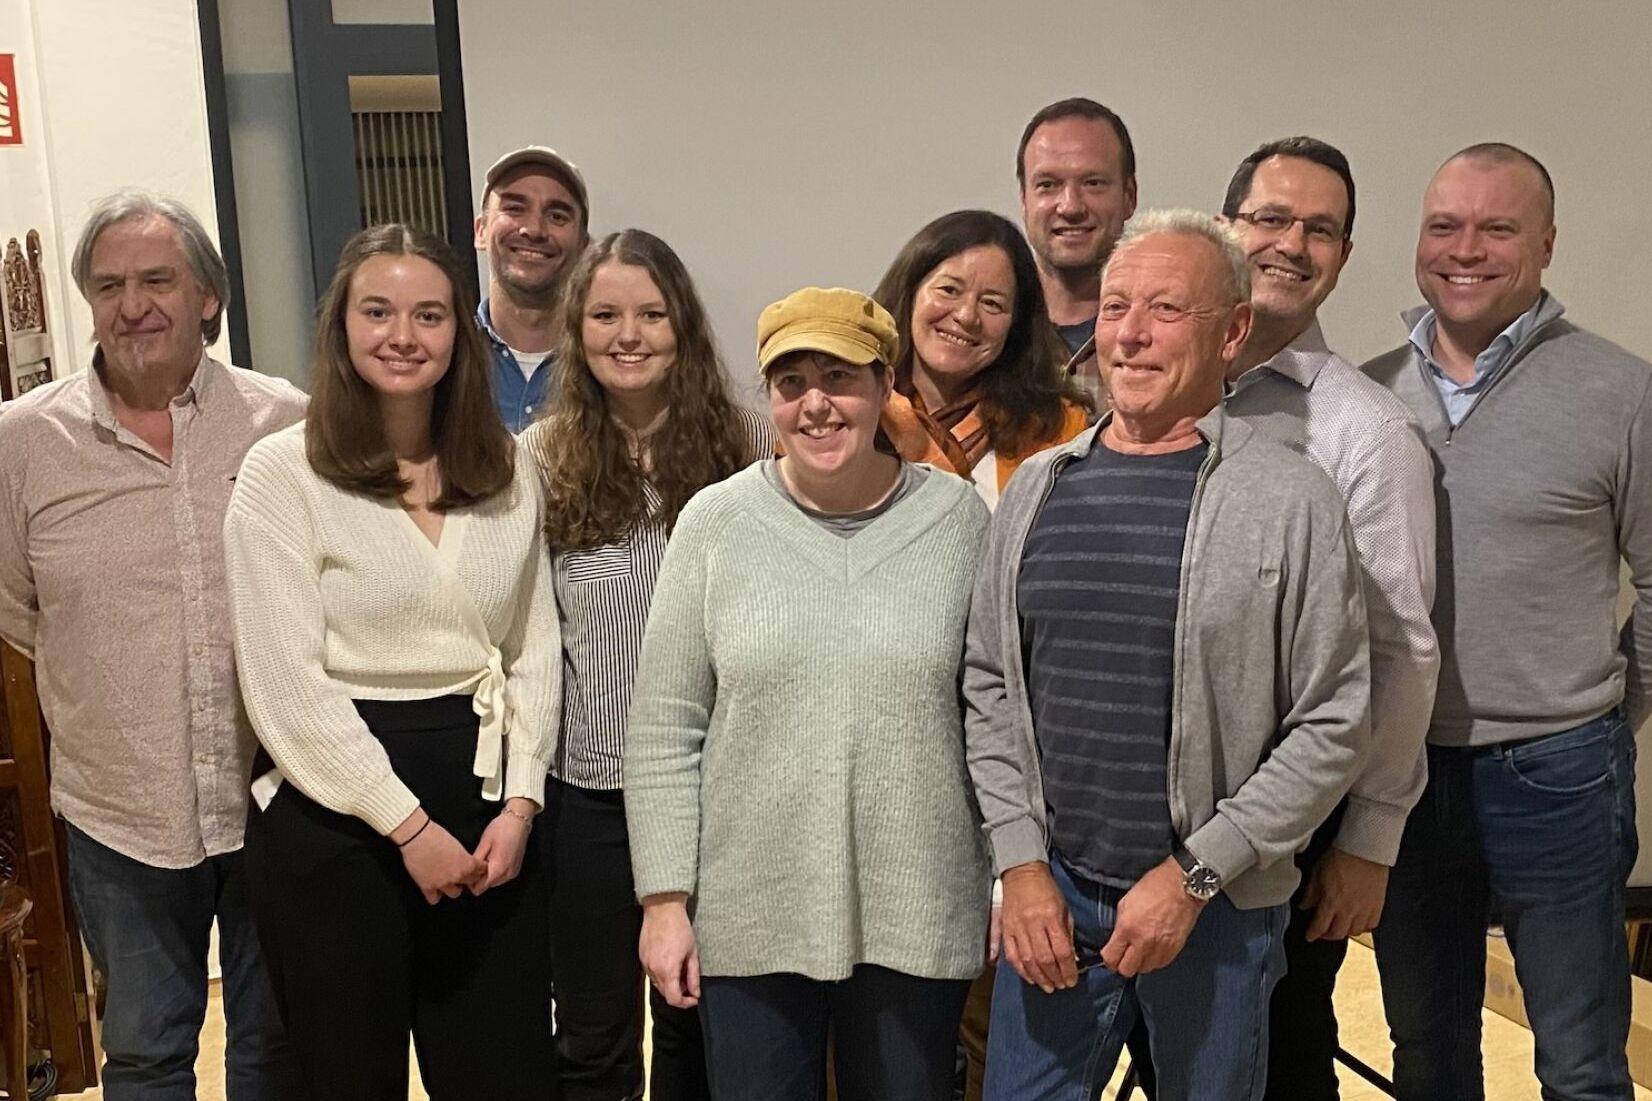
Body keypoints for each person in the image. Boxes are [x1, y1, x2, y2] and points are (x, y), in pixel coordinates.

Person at [966, 210, 1370, 1101]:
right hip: (1055, 896)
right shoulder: (1039, 489)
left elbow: (1334, 721)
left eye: (1165, 309)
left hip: (1218, 906)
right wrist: (1020, 863)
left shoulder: (1291, 501)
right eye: (1116, 307)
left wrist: (1195, 875)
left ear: (1231, 330)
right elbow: (990, 683)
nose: (1132, 333)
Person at [625, 287, 991, 1101]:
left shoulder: (958, 522)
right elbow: (665, 729)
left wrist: (1006, 871)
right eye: (791, 382)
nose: (815, 403)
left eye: (840, 376)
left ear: (884, 385)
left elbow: (993, 719)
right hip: (750, 912)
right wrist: (665, 899)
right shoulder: (715, 524)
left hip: (917, 906)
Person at [224, 223, 559, 1099]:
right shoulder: (282, 473)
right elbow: (286, 686)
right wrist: (408, 827)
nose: (403, 335)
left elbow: (533, 648)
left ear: (460, 333)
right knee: (347, 1080)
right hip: (337, 812)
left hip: (486, 809)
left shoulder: (506, 469)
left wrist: (522, 803)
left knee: (504, 1076)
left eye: (429, 315)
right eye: (378, 311)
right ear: (341, 325)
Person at [0, 191, 303, 1099]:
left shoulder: (283, 420)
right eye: (109, 285)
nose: (132, 305)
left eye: (157, 281)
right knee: (143, 1051)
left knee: (276, 1044)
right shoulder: (23, 443)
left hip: (274, 792)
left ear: (208, 296)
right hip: (120, 808)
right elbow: (17, 609)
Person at [1364, 143, 1651, 1101]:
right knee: (1428, 1054)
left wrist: (1600, 718)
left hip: (1558, 772)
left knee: (1580, 1061)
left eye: (1497, 228)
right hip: (1402, 776)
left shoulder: (1623, 392)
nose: (1465, 249)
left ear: (1547, 245)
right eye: (1444, 226)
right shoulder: (1368, 394)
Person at [521, 228, 774, 1101]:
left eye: (651, 314)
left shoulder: (750, 443)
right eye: (605, 316)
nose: (628, 335)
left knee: (696, 1023)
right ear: (576, 330)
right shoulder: (541, 457)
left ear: (683, 325)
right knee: (592, 1036)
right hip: (590, 791)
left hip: (716, 789)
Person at [874, 209, 1089, 512]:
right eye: (949, 290)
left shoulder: (1055, 430)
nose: (966, 316)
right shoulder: (852, 409)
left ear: (1016, 325)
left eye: (991, 303)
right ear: (911, 292)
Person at [474, 144, 591, 431]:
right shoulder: (445, 357)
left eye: (557, 216)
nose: (534, 229)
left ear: (584, 246)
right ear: (481, 231)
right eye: (514, 208)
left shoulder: (609, 364)